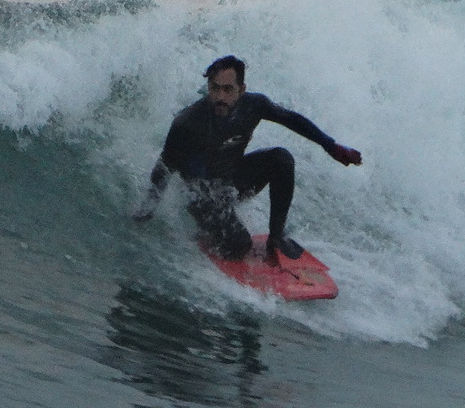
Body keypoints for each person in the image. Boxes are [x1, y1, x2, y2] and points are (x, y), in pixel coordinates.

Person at [132, 56, 361, 263]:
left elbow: (290, 119)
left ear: (241, 90)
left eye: (228, 89)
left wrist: (329, 145)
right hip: (202, 197)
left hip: (232, 182)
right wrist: (146, 211)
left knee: (281, 159)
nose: (220, 97)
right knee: (240, 245)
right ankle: (209, 235)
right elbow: (164, 167)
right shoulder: (189, 123)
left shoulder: (254, 106)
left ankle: (276, 237)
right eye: (214, 88)